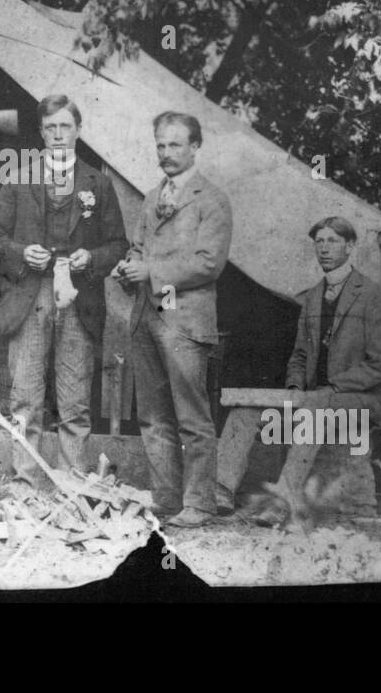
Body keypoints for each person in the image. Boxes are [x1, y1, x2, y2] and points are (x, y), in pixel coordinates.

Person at [0, 95, 127, 494]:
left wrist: (90, 257)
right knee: (26, 395)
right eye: (51, 128)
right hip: (31, 294)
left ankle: (73, 484)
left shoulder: (99, 184)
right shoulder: (19, 178)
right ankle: (25, 482)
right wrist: (19, 252)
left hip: (78, 297)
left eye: (66, 126)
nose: (59, 134)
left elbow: (118, 245)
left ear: (78, 130)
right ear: (42, 133)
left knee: (75, 398)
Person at [215, 216, 381, 524]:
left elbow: (379, 365)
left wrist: (334, 386)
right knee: (246, 407)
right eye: (319, 242)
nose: (324, 248)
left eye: (333, 241)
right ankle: (220, 489)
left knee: (314, 405)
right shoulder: (312, 296)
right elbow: (299, 355)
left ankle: (283, 501)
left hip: (359, 397)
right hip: (314, 396)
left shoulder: (373, 296)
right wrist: (295, 387)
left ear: (350, 247)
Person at [114, 111, 233, 528]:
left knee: (192, 417)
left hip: (184, 319)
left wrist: (152, 272)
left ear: (195, 147)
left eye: (175, 145)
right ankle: (166, 501)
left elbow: (208, 263)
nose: (166, 153)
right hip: (148, 313)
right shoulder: (151, 197)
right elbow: (137, 247)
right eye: (161, 145)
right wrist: (129, 265)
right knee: (151, 415)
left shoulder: (212, 200)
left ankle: (200, 503)